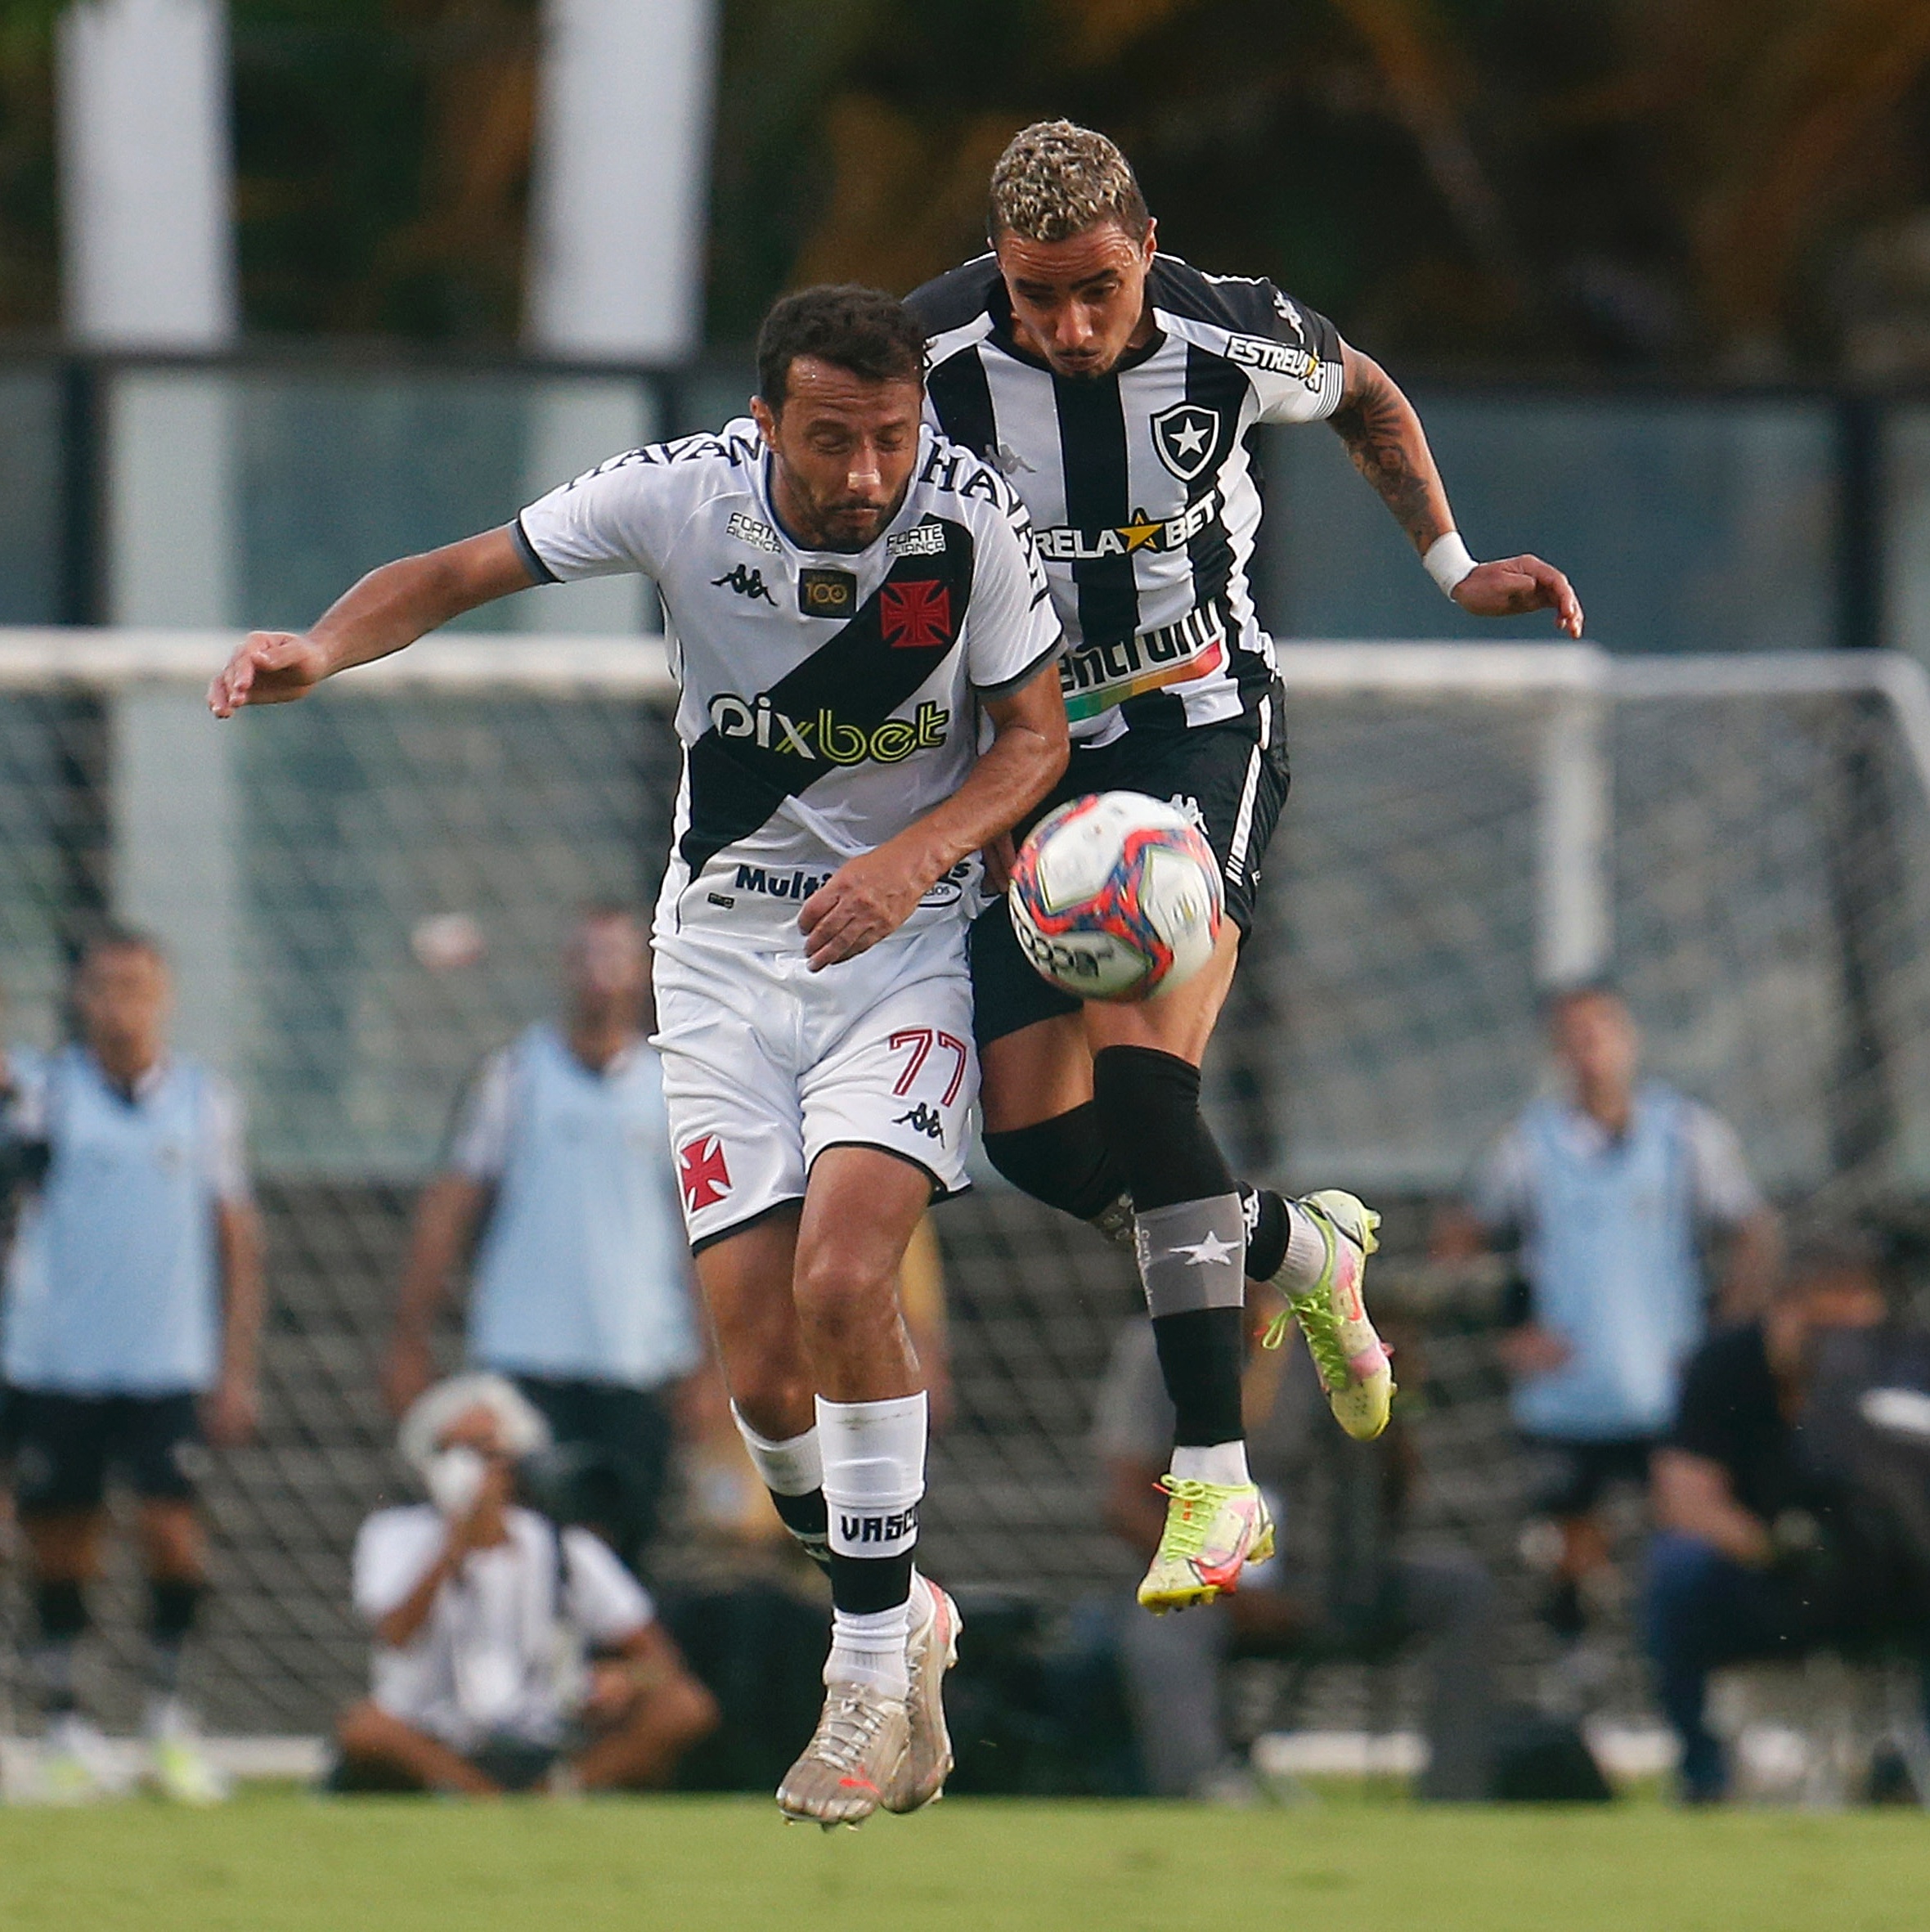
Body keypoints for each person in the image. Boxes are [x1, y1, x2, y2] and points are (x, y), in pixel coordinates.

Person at [207, 285, 1068, 1824]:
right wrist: (324, 648)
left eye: (890, 436)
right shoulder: (678, 495)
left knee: (843, 1280)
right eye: (831, 441)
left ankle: (868, 1664)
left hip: (904, 947)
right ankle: (904, 1602)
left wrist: (912, 859)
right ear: (767, 422)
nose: (868, 473)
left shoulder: (970, 521)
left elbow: (1034, 739)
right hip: (728, 960)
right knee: (757, 1358)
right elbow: (459, 568)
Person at [904, 120, 1584, 1611]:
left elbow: (1373, 399)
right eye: (1037, 297)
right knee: (1030, 1135)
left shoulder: (1231, 336)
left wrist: (1456, 566)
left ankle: (1217, 1478)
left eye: (1094, 288)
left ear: (1144, 247)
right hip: (1030, 753)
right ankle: (1301, 1247)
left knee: (1150, 1088)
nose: (1069, 327)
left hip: (1204, 727)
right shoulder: (932, 355)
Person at [0, 928, 265, 1803]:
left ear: (165, 995)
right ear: (80, 995)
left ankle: (167, 1718)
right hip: (58, 1362)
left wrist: (235, 1365)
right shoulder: (43, 1095)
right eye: (105, 984)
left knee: (171, 1535)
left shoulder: (201, 1100)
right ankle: (66, 1723)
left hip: (165, 1363)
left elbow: (236, 1239)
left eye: (138, 985)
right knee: (62, 1543)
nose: (122, 1001)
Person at [1435, 982, 1780, 1639]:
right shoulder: (1530, 1144)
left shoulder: (1685, 1132)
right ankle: (1579, 1687)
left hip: (1670, 1392)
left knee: (1687, 1541)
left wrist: (1724, 1339)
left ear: (1631, 1038)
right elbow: (1457, 1238)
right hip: (1568, 1397)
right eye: (1576, 1034)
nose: (1591, 1047)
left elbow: (1755, 1232)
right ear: (1557, 1050)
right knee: (1570, 1559)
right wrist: (1508, 1334)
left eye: (1603, 1030)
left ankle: (1680, 1680)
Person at [384, 908, 701, 1574]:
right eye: (585, 955)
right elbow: (451, 1206)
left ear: (643, 971)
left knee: (623, 1559)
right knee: (520, 1551)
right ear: (565, 968)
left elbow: (697, 1228)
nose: (599, 974)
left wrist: (714, 1360)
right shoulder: (513, 1078)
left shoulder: (673, 1088)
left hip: (637, 1357)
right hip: (525, 1357)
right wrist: (410, 1334)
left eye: (615, 956)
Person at [1096, 1307, 1497, 1801]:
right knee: (1164, 1628)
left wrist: (1391, 1397)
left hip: (1333, 1573)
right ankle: (1202, 1792)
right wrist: (1227, 1584)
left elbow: (1393, 1501)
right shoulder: (1160, 1343)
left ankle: (1456, 1797)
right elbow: (1124, 1504)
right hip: (1216, 1579)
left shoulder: (1338, 1338)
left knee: (1462, 1589)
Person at [1645, 1229, 1928, 1803]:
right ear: (1785, 1310)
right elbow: (1683, 1495)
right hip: (1774, 1569)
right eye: (1825, 1329)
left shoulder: (1906, 1362)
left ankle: (1903, 1769)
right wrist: (1775, 1547)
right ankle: (1705, 1779)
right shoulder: (1728, 1364)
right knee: (1675, 1570)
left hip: (1895, 1570)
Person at [336, 1374, 716, 1795]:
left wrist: (624, 1680)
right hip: (434, 1729)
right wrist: (454, 1543)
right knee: (366, 1726)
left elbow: (657, 1659)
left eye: (484, 1451)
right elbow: (395, 1633)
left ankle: (555, 1789)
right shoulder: (395, 1534)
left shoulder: (560, 1543)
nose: (467, 1467)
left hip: (542, 1730)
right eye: (449, 1450)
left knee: (683, 1706)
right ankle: (483, 1797)